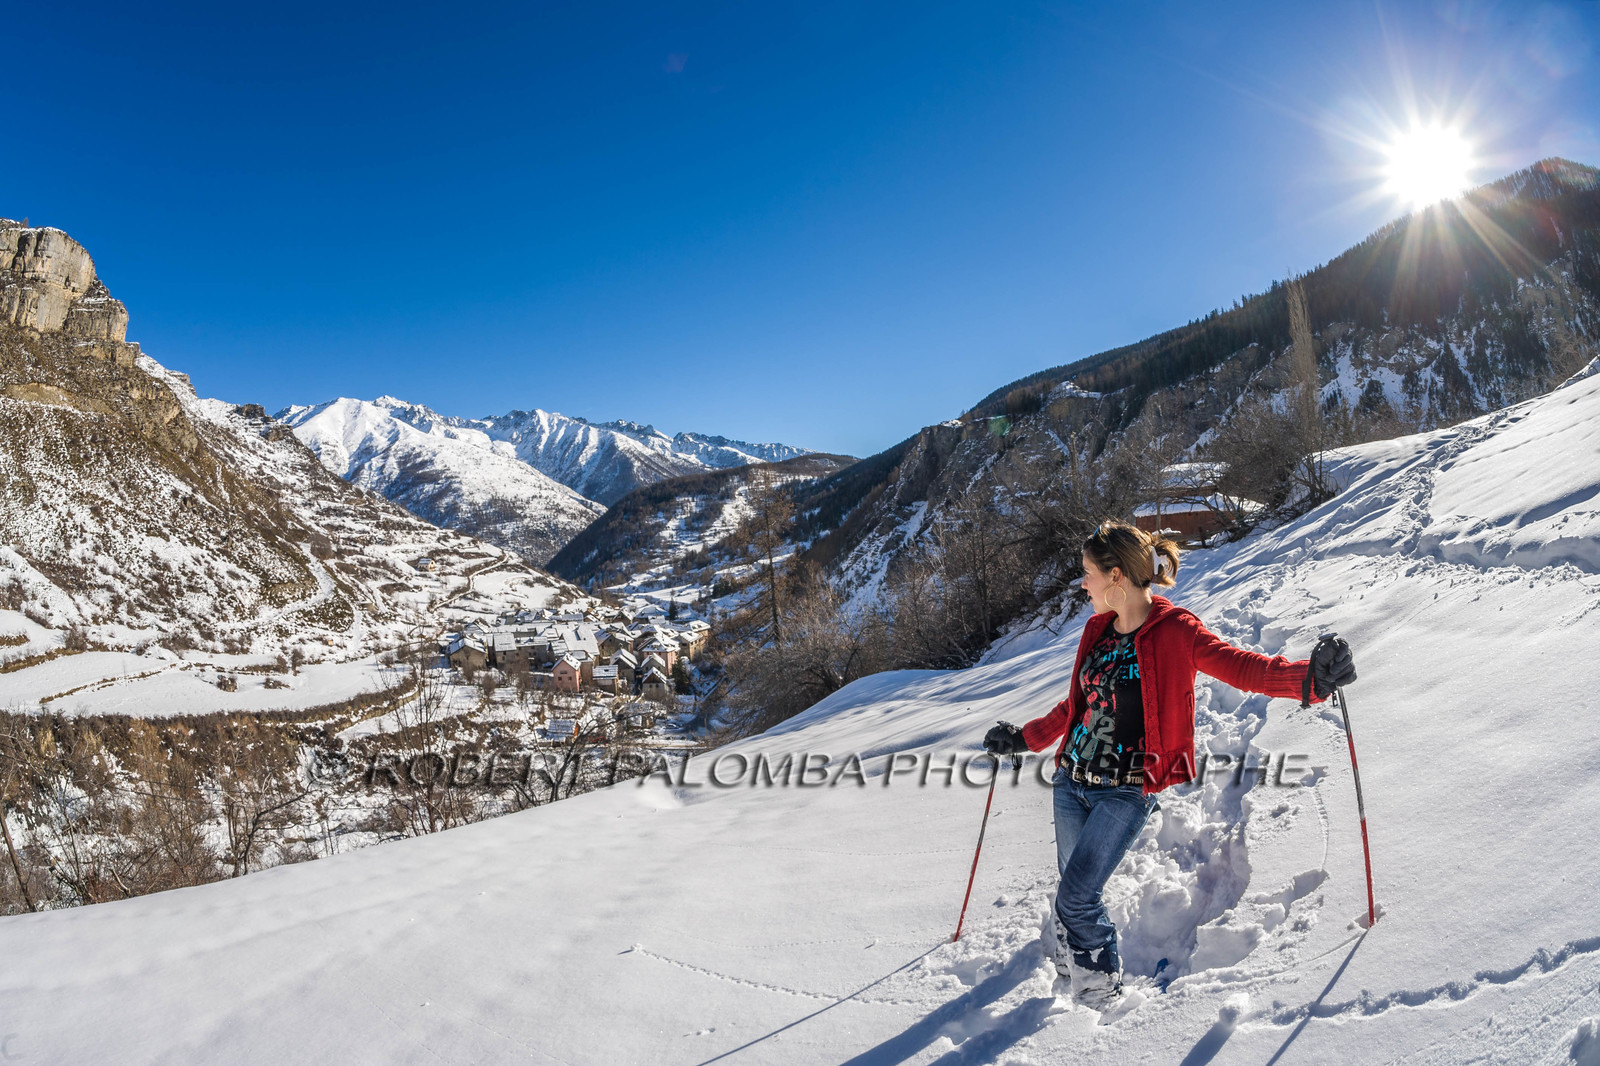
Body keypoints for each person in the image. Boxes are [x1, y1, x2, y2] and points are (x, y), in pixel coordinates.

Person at [982, 520, 1356, 1009]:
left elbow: (1242, 667)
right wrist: (1023, 738)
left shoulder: (1176, 631)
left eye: (1088, 573)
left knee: (1077, 897)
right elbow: (1078, 707)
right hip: (1071, 781)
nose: (1082, 583)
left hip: (1126, 788)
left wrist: (1310, 679)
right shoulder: (1096, 630)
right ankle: (1068, 960)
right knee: (1072, 888)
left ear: (1116, 576)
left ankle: (1098, 1001)